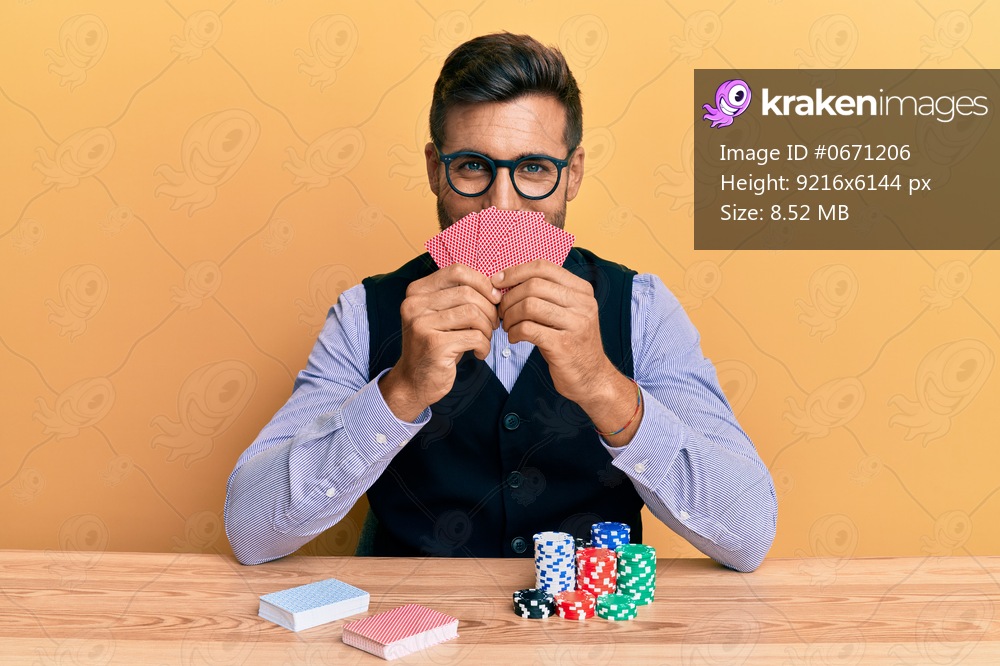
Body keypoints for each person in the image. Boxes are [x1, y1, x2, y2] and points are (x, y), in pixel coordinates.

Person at [224, 32, 776, 572]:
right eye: (472, 166)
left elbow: (749, 534)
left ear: (573, 173)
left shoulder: (644, 309)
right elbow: (250, 531)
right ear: (436, 170)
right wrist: (400, 391)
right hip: (416, 638)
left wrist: (603, 386)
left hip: (588, 640)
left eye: (534, 168)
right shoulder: (361, 315)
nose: (502, 206)